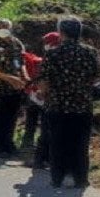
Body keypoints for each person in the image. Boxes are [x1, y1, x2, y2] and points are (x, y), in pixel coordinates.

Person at [37, 17, 100, 188]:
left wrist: (43, 94)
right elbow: (97, 76)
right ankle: (81, 178)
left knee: (58, 142)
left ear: (61, 32)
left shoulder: (52, 53)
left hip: (57, 105)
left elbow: (44, 80)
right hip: (82, 105)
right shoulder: (90, 52)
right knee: (80, 143)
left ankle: (57, 178)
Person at [0, 19, 27, 157]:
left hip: (15, 87)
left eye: (5, 26)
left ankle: (8, 144)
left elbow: (21, 62)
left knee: (12, 117)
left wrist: (24, 76)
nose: (3, 28)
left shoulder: (17, 43)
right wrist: (7, 78)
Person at [24, 31, 61, 167]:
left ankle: (40, 159)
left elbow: (45, 78)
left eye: (47, 43)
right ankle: (50, 159)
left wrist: (41, 91)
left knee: (45, 129)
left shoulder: (51, 57)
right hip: (63, 100)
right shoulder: (66, 55)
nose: (45, 45)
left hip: (48, 98)